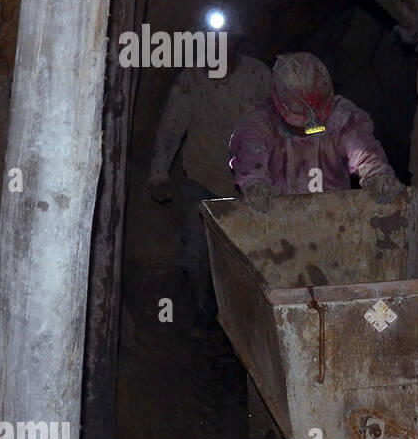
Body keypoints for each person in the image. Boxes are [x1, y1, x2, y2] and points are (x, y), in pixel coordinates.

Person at [148, 22, 271, 323]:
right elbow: (171, 127)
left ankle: (249, 316)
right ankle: (204, 314)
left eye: (223, 40)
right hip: (201, 177)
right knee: (196, 248)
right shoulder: (190, 81)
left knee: (254, 252)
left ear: (235, 41)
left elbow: (279, 122)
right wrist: (159, 173)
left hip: (250, 183)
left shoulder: (257, 76)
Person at [228, 51, 402, 210]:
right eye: (300, 120)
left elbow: (362, 149)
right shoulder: (261, 122)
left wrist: (377, 174)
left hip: (333, 217)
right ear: (279, 104)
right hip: (279, 217)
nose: (308, 126)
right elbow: (251, 151)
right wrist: (254, 183)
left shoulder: (342, 117)